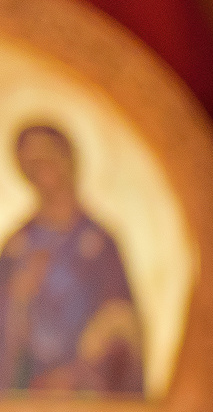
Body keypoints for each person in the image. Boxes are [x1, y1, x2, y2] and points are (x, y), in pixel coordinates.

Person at [0, 124, 145, 396]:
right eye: (31, 164)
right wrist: (16, 299)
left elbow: (122, 327)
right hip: (26, 394)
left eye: (47, 159)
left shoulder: (100, 244)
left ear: (68, 159)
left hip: (86, 395)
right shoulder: (17, 248)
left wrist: (79, 373)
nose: (42, 171)